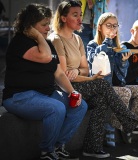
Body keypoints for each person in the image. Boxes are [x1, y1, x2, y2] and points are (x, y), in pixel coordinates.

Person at [48, 1, 138, 158]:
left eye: (80, 14)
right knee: (101, 85)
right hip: (63, 88)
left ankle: (91, 147)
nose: (80, 18)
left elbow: (85, 69)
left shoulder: (78, 39)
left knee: (101, 99)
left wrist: (77, 71)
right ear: (63, 18)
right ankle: (132, 122)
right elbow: (63, 74)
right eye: (75, 15)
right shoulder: (56, 39)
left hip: (81, 83)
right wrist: (77, 72)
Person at [2, 3, 88, 160]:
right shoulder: (20, 41)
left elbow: (59, 73)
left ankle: (57, 146)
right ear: (30, 27)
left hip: (46, 94)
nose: (49, 28)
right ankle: (46, 151)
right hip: (19, 97)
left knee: (80, 106)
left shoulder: (47, 44)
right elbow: (45, 57)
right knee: (56, 108)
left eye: (48, 23)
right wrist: (35, 36)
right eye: (44, 25)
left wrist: (72, 92)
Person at [86, 12, 138, 144]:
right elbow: (95, 63)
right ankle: (111, 128)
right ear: (100, 27)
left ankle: (130, 128)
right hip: (101, 85)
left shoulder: (119, 47)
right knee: (125, 92)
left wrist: (123, 62)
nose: (112, 29)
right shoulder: (92, 45)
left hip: (117, 83)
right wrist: (107, 42)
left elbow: (123, 75)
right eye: (108, 25)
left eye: (115, 26)